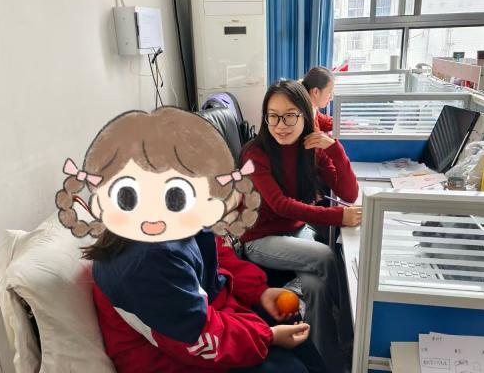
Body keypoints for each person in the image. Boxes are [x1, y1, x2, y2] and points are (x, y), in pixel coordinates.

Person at [55, 107, 327, 373]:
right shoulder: (145, 261)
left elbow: (215, 254)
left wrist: (259, 292)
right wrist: (267, 336)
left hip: (207, 314)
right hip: (169, 357)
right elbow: (197, 338)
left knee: (293, 330)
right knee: (289, 367)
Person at [240, 80, 362, 372]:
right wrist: (338, 217)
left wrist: (334, 148)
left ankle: (328, 362)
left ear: (305, 116)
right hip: (259, 239)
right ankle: (353, 339)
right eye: (273, 116)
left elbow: (349, 193)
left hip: (294, 231)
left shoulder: (310, 147)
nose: (280, 125)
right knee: (327, 255)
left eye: (290, 116)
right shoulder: (255, 154)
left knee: (314, 286)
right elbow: (280, 204)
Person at [301, 66, 335, 133]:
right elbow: (317, 138)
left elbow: (322, 120)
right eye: (329, 92)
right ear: (315, 91)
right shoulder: (304, 118)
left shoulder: (311, 107)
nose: (331, 98)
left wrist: (341, 123)